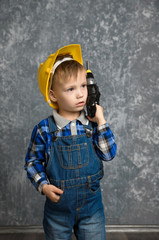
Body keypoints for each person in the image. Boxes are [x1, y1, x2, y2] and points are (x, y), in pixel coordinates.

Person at [24, 44, 117, 240]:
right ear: (53, 95)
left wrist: (101, 121)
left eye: (83, 85)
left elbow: (108, 154)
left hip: (92, 208)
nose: (80, 94)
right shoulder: (44, 129)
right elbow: (32, 163)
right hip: (58, 210)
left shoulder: (93, 125)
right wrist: (43, 185)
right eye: (71, 89)